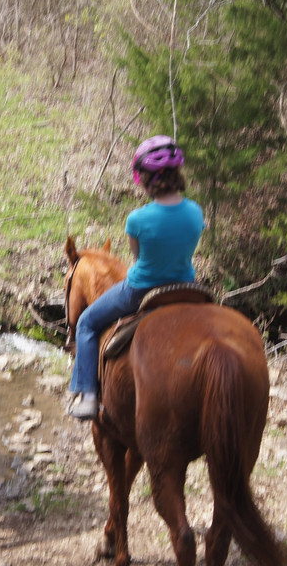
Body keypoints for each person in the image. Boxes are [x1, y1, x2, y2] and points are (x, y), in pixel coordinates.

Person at [67, 135, 205, 420]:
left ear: (145, 179)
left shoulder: (137, 219)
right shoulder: (195, 212)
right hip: (187, 287)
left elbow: (139, 256)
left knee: (86, 322)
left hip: (141, 289)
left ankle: (88, 395)